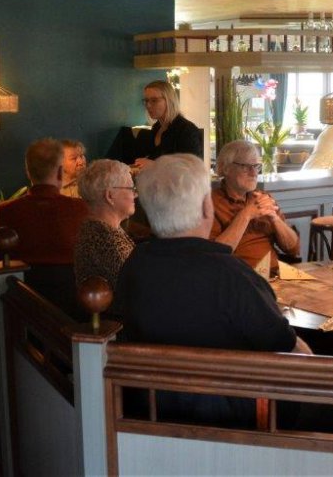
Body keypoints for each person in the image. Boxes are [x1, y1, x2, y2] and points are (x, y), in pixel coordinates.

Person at [117, 154, 310, 426]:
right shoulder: (232, 276)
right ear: (207, 207)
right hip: (236, 420)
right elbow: (288, 349)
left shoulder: (134, 265)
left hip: (151, 412)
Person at [0, 139, 89, 312]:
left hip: (21, 303)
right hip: (73, 305)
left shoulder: (5, 211)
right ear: (60, 172)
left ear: (28, 172)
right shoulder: (80, 209)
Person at [210, 140, 299, 273]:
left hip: (276, 275)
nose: (254, 173)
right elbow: (215, 256)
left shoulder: (263, 198)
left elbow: (293, 249)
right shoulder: (211, 203)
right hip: (241, 278)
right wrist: (246, 214)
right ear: (226, 168)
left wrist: (275, 219)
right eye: (245, 166)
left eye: (256, 166)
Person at [73, 159, 136, 314]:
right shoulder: (104, 239)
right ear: (110, 196)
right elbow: (137, 288)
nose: (135, 194)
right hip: (118, 324)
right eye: (131, 188)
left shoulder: (99, 228)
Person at [129, 80, 203, 175]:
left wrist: (154, 165)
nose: (148, 105)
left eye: (154, 100)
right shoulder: (156, 128)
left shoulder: (187, 130)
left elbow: (194, 170)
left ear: (169, 101)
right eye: (146, 101)